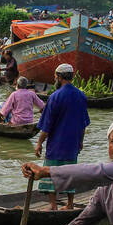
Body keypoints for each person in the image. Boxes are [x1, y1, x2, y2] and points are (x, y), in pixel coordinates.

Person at [34, 63, 90, 211]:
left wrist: (39, 143)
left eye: (55, 76)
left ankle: (53, 205)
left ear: (59, 77)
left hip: (57, 143)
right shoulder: (81, 95)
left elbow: (47, 125)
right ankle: (70, 204)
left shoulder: (55, 96)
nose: (55, 79)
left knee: (50, 171)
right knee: (70, 172)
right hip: (73, 142)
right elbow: (83, 123)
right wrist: (81, 142)